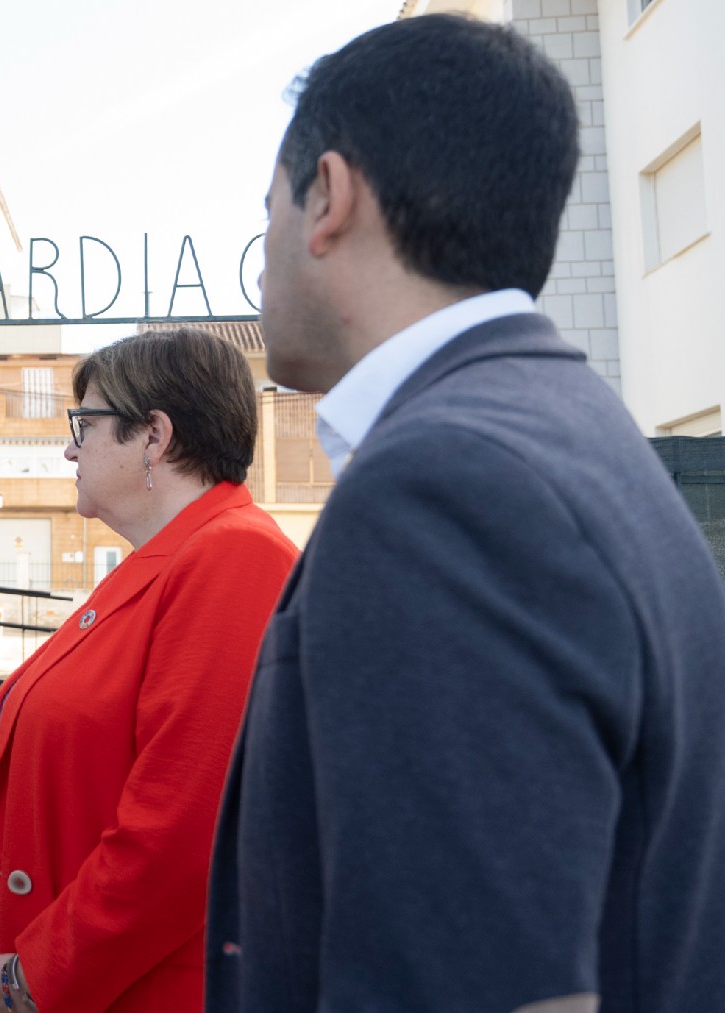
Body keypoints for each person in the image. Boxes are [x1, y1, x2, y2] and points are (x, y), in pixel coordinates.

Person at [207, 14, 725, 1012]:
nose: (262, 260)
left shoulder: (441, 484)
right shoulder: (573, 427)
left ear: (330, 197)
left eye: (266, 211)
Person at [0, 329, 297, 1013]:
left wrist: (27, 979)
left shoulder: (233, 558)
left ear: (154, 436)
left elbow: (179, 838)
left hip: (141, 990)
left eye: (86, 423)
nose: (71, 447)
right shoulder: (159, 561)